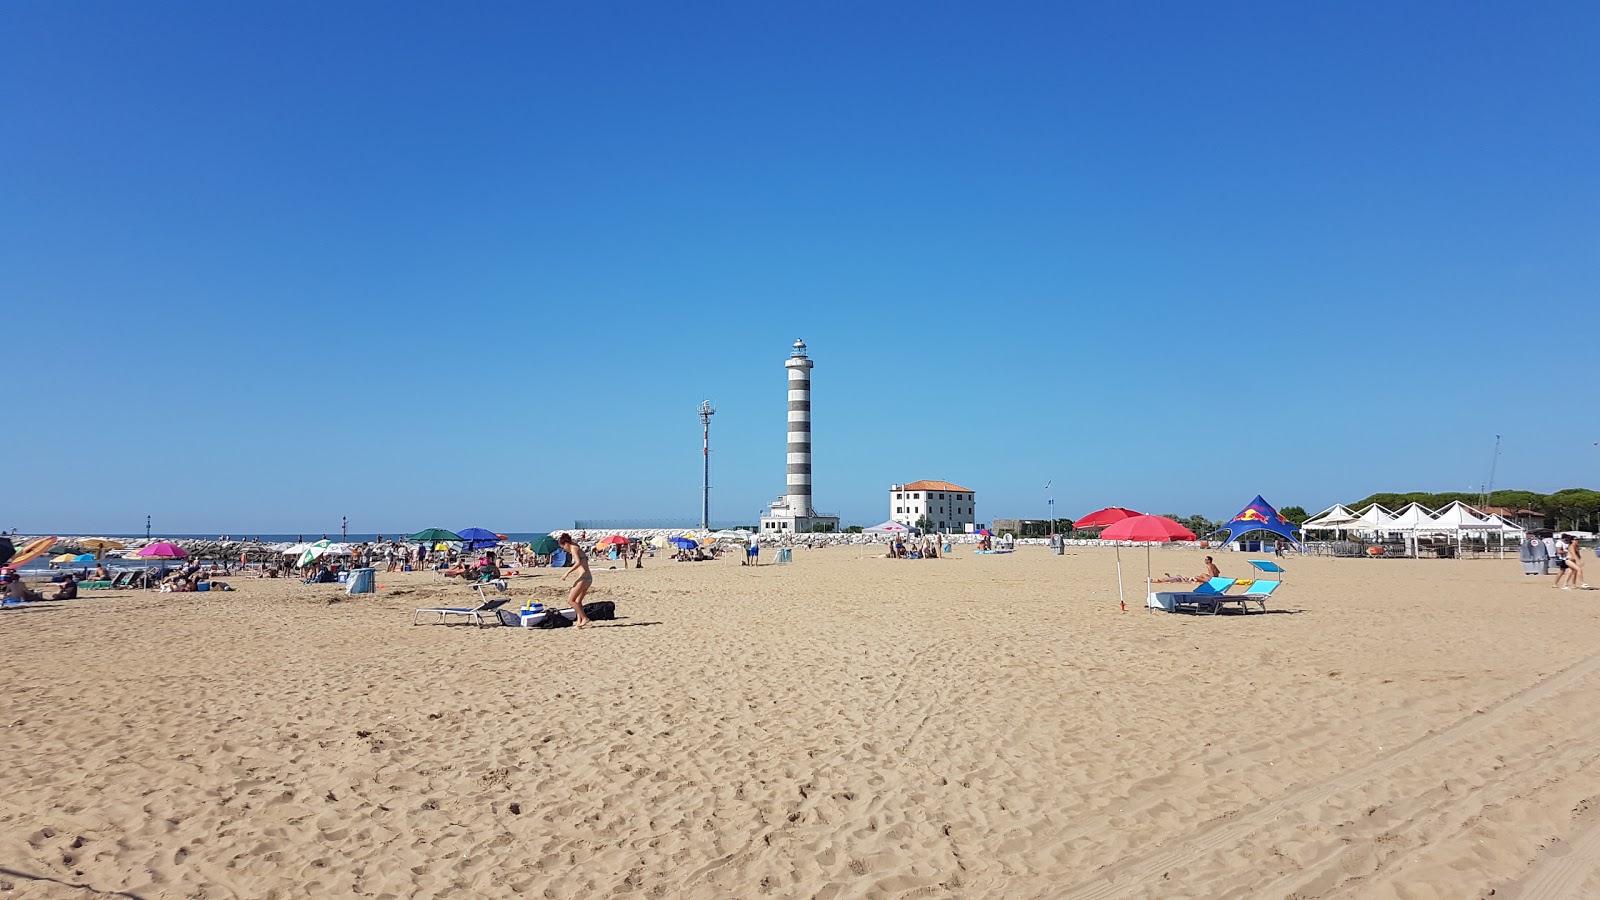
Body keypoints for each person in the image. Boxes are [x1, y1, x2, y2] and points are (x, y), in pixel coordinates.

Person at [556, 533, 594, 627]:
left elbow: (577, 563)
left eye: (562, 547)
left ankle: (584, 618)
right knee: (578, 601)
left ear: (566, 544)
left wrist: (567, 573)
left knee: (570, 600)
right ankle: (579, 622)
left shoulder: (574, 548)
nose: (563, 549)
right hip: (588, 578)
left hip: (584, 578)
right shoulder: (576, 547)